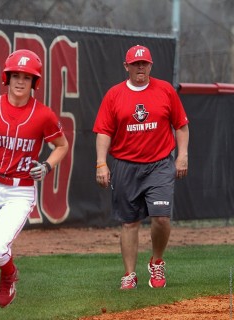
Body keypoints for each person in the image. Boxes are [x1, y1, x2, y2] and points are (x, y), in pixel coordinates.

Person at [0, 49, 69, 319]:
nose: (20, 81)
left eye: (27, 77)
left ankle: (10, 274)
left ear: (35, 82)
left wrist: (46, 165)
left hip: (19, 191)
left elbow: (61, 145)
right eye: (16, 76)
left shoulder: (43, 114)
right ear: (6, 78)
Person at [93, 45, 189, 290]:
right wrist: (101, 163)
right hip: (126, 165)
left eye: (144, 63)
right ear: (126, 67)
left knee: (161, 218)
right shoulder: (114, 94)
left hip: (159, 164)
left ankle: (156, 261)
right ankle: (129, 274)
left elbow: (181, 125)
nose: (140, 68)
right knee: (129, 222)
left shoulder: (165, 90)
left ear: (150, 65)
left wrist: (182, 155)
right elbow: (103, 131)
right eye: (135, 64)